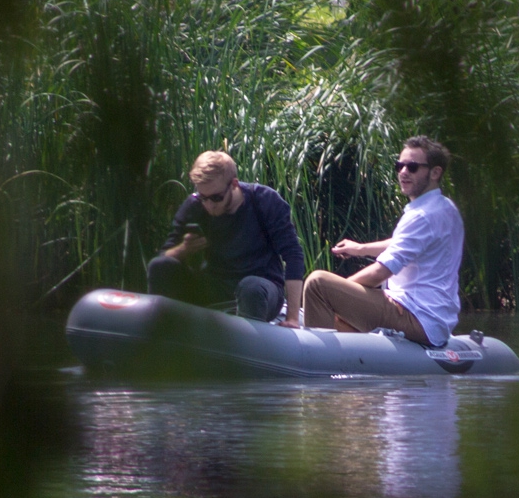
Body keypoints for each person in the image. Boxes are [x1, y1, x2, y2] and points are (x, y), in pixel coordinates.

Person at [301, 136, 463, 346]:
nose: (403, 172)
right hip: (434, 320)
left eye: (412, 167)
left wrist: (340, 294)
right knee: (332, 315)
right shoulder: (445, 208)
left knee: (318, 283)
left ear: (435, 172)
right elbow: (406, 244)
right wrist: (359, 249)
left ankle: (316, 356)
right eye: (400, 166)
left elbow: (381, 273)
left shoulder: (421, 216)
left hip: (415, 315)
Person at [147, 151, 306, 324]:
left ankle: (249, 343)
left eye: (216, 198)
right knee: (160, 266)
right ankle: (164, 333)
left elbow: (293, 255)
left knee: (250, 287)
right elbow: (163, 257)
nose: (209, 205)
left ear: (234, 184)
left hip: (261, 288)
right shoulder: (194, 205)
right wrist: (183, 249)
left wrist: (292, 318)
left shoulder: (264, 200)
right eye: (203, 197)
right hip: (214, 286)